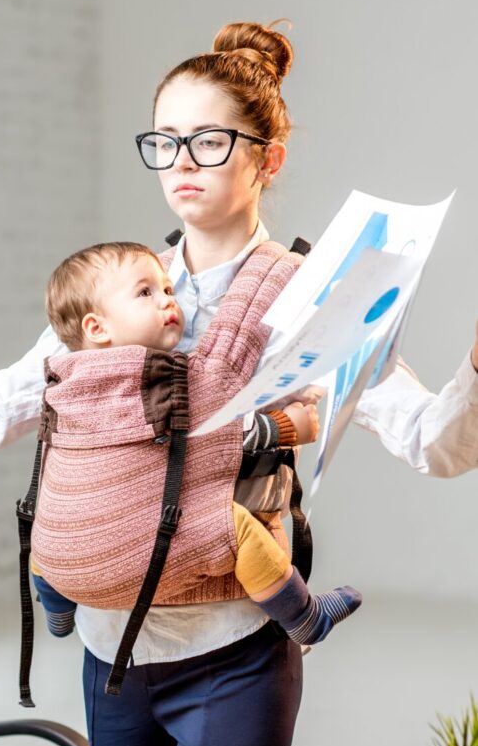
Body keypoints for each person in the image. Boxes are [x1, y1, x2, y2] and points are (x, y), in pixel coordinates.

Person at [0, 21, 478, 746]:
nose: (181, 162)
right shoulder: (117, 292)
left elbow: (436, 445)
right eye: (163, 140)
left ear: (267, 159)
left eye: (209, 142)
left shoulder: (315, 295)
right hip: (111, 653)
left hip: (232, 651)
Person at [30, 239, 360, 647]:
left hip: (63, 567)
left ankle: (57, 610)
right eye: (145, 292)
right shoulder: (154, 376)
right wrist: (287, 427)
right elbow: (213, 435)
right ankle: (303, 615)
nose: (168, 301)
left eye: (168, 289)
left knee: (50, 518)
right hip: (133, 565)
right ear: (97, 327)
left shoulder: (62, 382)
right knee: (239, 528)